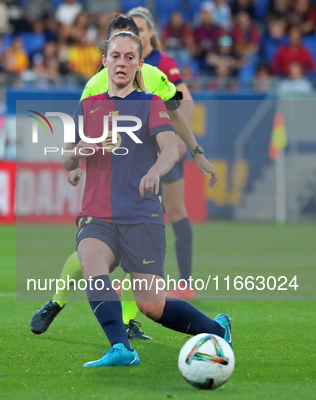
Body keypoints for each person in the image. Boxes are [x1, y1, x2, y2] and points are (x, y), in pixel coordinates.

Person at [30, 15, 217, 339]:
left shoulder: (156, 79)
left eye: (130, 50)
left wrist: (196, 152)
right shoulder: (93, 89)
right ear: (105, 54)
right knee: (88, 258)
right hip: (105, 192)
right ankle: (59, 303)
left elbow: (175, 114)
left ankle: (130, 323)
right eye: (116, 50)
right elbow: (76, 142)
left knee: (145, 286)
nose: (122, 58)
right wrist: (76, 164)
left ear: (142, 49)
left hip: (142, 188)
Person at [64, 30, 231, 367]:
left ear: (139, 65)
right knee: (91, 264)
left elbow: (170, 149)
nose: (121, 63)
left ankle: (217, 330)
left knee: (151, 305)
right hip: (98, 214)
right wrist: (81, 150)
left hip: (141, 215)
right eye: (115, 56)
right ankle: (122, 349)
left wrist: (155, 170)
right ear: (104, 61)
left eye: (129, 57)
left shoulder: (150, 104)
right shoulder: (87, 107)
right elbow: (68, 159)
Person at [128, 7, 198, 299]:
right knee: (138, 213)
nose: (137, 35)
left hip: (162, 148)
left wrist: (180, 139)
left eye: (141, 29)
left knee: (174, 210)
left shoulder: (162, 62)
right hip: (138, 150)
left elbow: (186, 101)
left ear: (151, 33)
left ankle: (184, 283)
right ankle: (142, 281)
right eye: (132, 30)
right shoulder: (127, 60)